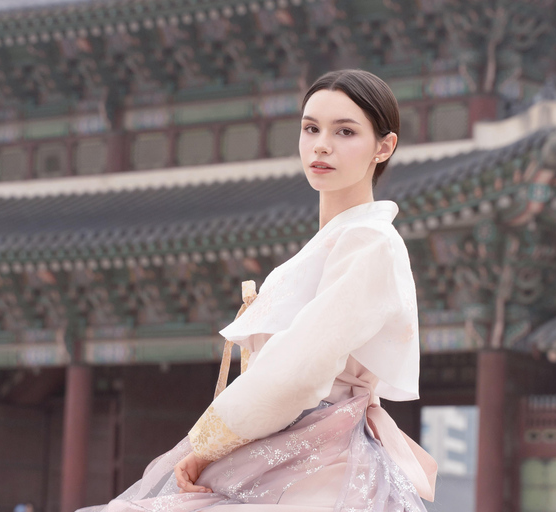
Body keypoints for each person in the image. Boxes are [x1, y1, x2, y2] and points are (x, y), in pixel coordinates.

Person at [78, 69, 437, 512]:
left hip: (322, 465)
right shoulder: (334, 243)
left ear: (384, 146)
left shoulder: (370, 241)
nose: (321, 144)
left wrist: (209, 445)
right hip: (291, 450)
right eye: (311, 129)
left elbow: (299, 369)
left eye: (345, 131)